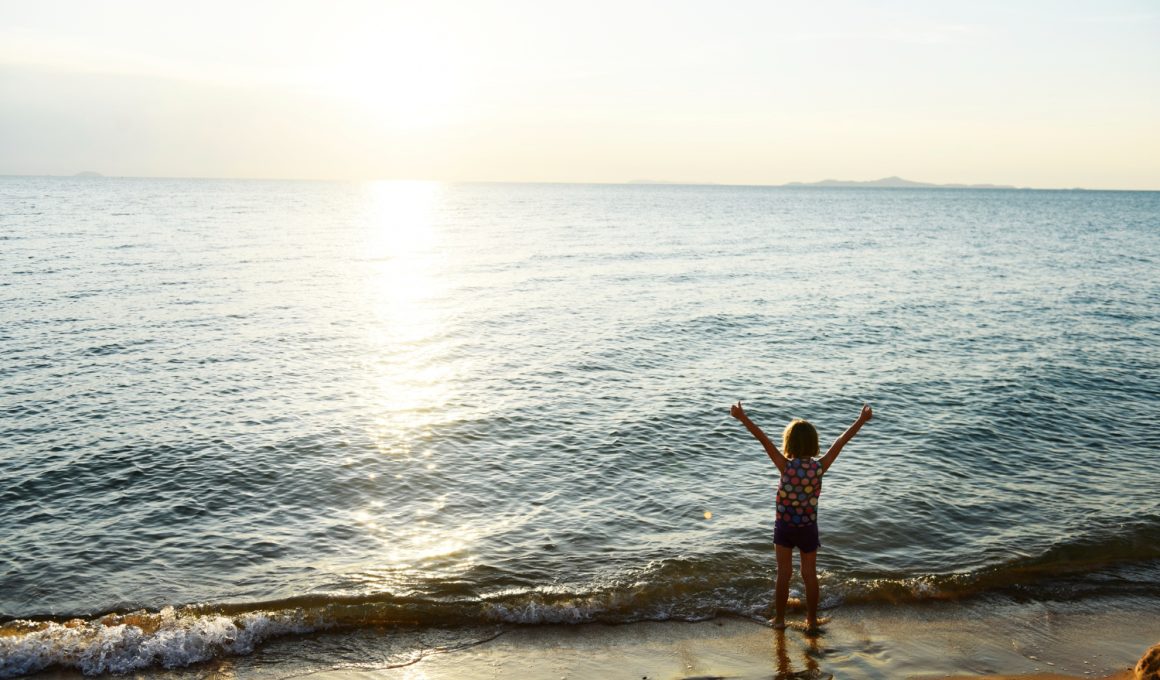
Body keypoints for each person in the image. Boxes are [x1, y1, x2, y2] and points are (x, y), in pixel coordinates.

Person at [730, 401, 873, 630]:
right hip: (807, 528)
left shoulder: (785, 466)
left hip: (785, 527)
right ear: (814, 444)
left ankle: (779, 619)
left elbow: (763, 439)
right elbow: (841, 442)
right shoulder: (819, 468)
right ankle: (812, 620)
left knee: (783, 575)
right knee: (809, 575)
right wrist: (861, 420)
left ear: (789, 443)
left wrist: (742, 417)